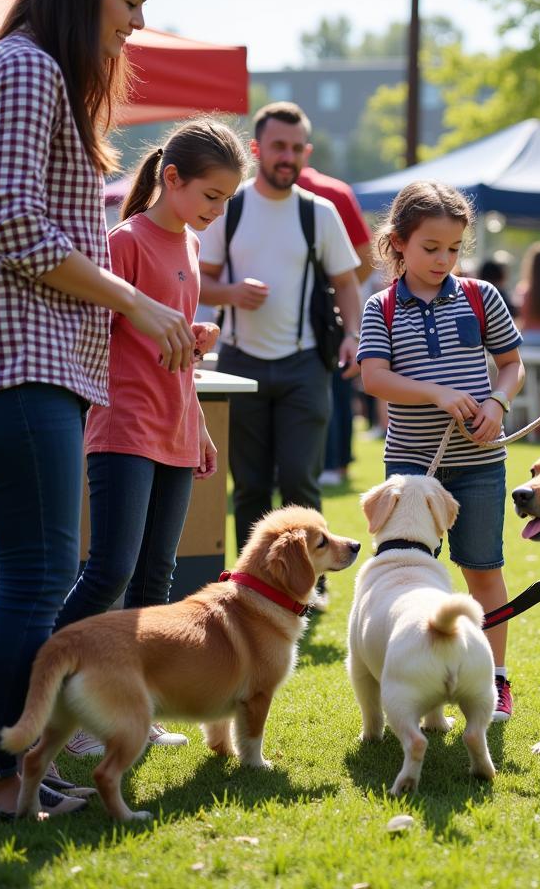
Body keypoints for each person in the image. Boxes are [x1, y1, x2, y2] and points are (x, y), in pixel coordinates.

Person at [0, 0, 196, 820]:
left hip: (28, 355)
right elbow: (19, 228)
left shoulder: (26, 67)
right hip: (21, 355)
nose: (136, 24)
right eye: (130, 2)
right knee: (37, 574)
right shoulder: (26, 67)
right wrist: (136, 301)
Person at [56, 118, 247, 759]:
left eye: (226, 202)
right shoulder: (124, 240)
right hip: (124, 426)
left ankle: (130, 705)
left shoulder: (190, 248)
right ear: (172, 179)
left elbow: (167, 342)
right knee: (109, 569)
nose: (216, 213)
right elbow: (95, 331)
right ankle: (59, 699)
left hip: (174, 427)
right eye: (212, 197)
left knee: (155, 578)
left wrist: (195, 405)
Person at [358, 181, 525, 722]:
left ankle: (494, 679)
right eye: (431, 247)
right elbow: (374, 377)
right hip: (409, 470)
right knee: (410, 579)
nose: (443, 259)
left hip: (480, 463)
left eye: (454, 248)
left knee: (483, 570)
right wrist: (436, 394)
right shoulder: (380, 308)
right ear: (398, 242)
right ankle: (416, 674)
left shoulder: (481, 296)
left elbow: (512, 364)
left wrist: (497, 404)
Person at [197, 102, 362, 568]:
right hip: (239, 361)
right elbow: (199, 277)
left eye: (296, 148)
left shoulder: (320, 212)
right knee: (248, 484)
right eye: (277, 147)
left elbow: (347, 281)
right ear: (257, 149)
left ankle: (316, 581)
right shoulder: (231, 206)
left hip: (304, 363)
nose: (287, 157)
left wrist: (352, 334)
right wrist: (230, 291)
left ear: (306, 152)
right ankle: (253, 581)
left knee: (299, 479)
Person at [297, 163, 374, 490]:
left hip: (325, 316)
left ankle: (333, 462)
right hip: (334, 315)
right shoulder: (338, 190)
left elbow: (363, 258)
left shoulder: (333, 193)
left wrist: (330, 293)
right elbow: (366, 260)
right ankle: (337, 462)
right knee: (338, 388)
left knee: (332, 387)